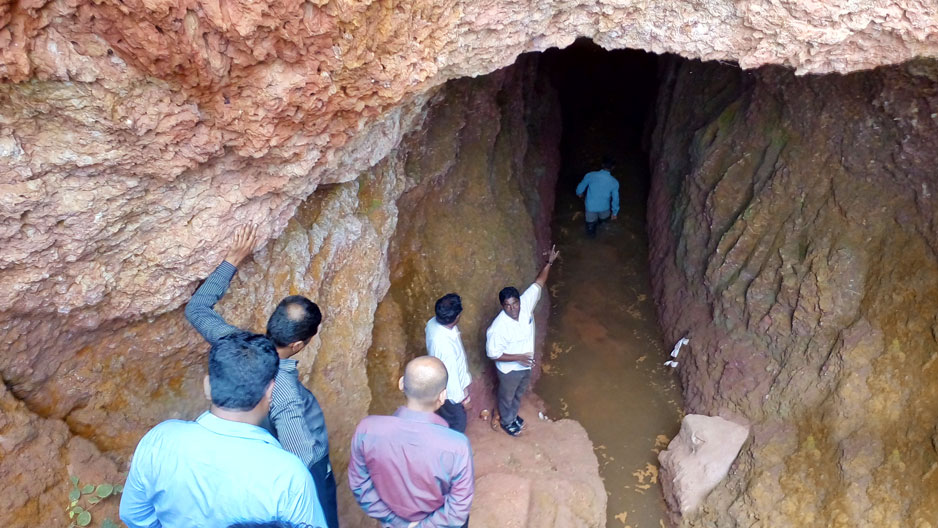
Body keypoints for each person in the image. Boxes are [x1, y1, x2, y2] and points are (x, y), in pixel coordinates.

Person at [184, 225, 338, 528]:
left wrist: (232, 260)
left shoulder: (233, 344)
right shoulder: (283, 391)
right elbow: (303, 459)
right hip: (297, 477)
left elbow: (197, 309)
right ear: (297, 345)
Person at [120, 332, 326, 528]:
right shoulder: (288, 475)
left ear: (207, 386)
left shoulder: (160, 440)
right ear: (271, 390)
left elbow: (134, 515)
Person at [348, 356, 474, 528]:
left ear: (401, 383)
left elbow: (360, 487)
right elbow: (457, 511)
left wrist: (396, 522)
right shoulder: (457, 446)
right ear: (443, 396)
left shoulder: (366, 429)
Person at [486, 245, 560, 436]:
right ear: (502, 306)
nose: (513, 309)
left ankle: (511, 415)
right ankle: (507, 421)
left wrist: (549, 262)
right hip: (510, 369)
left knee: (519, 393)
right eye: (508, 306)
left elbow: (539, 282)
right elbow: (493, 354)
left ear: (519, 300)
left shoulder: (526, 303)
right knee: (507, 396)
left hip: (525, 364)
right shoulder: (498, 328)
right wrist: (518, 357)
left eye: (515, 303)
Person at [425, 293, 472, 433]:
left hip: (438, 382)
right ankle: (451, 448)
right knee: (458, 423)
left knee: (445, 416)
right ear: (456, 317)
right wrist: (464, 399)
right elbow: (451, 380)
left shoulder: (432, 323)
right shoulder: (446, 349)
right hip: (449, 393)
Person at [575, 157, 620, 237]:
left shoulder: (590, 175)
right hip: (604, 209)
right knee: (603, 226)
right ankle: (603, 240)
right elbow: (615, 199)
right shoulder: (614, 182)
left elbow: (580, 188)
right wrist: (614, 212)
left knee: (590, 230)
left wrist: (579, 193)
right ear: (613, 167)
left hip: (591, 208)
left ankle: (591, 243)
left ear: (602, 165)